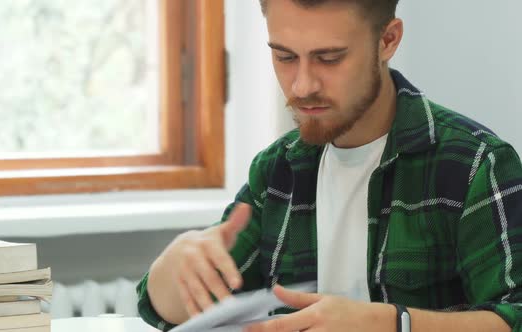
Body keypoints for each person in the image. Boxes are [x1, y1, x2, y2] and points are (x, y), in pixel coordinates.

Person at [137, 0, 522, 331]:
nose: (302, 86)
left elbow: (515, 316)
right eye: (285, 56)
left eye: (329, 58)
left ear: (387, 40)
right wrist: (172, 270)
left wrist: (394, 324)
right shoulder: (277, 170)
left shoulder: (475, 164)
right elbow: (182, 311)